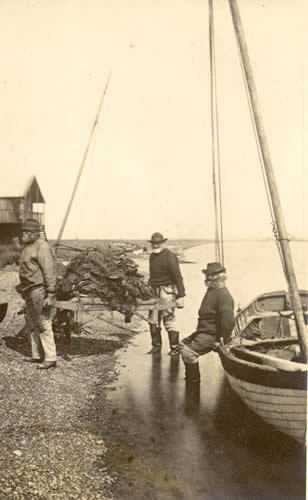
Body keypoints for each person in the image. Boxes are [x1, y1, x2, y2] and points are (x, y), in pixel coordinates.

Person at [179, 262, 234, 382]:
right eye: (208, 275)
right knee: (182, 345)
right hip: (204, 330)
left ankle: (193, 382)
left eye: (212, 275)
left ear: (221, 277)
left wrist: (221, 341)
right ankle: (191, 378)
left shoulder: (223, 295)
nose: (208, 278)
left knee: (188, 352)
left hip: (212, 334)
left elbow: (228, 321)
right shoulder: (212, 290)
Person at [18, 218, 57, 369]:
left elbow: (49, 271)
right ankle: (36, 356)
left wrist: (51, 294)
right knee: (32, 323)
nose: (24, 234)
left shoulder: (42, 247)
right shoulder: (28, 247)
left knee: (43, 323)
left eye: (27, 232)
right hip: (28, 290)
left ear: (35, 233)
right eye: (23, 231)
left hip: (39, 290)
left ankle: (51, 358)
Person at [147, 232, 185, 356]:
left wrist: (181, 295)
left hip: (167, 291)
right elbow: (152, 275)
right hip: (153, 291)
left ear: (163, 243)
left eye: (158, 243)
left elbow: (178, 277)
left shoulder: (170, 256)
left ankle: (174, 348)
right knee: (153, 320)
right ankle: (156, 347)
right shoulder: (152, 256)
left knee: (169, 319)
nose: (156, 245)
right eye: (154, 243)